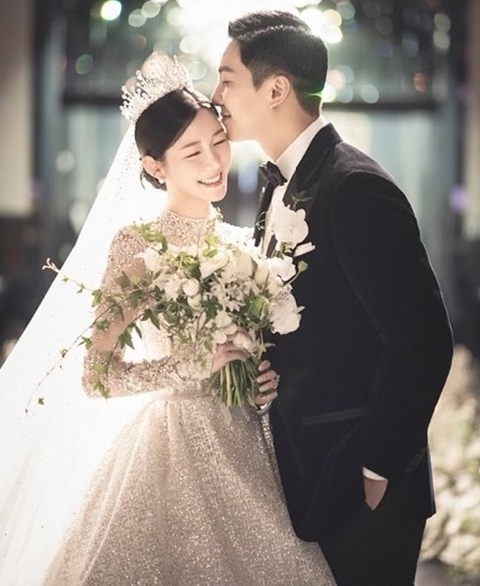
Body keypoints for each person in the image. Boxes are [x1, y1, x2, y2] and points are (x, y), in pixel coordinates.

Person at [0, 52, 336, 586]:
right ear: (156, 167)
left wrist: (256, 380)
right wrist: (190, 366)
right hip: (168, 447)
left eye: (219, 142)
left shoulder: (242, 243)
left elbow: (249, 349)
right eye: (192, 152)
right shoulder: (135, 246)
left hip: (248, 443)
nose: (214, 162)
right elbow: (97, 375)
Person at [212, 10, 454, 586]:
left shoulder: (354, 186)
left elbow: (422, 341)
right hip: (304, 465)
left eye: (226, 79)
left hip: (358, 478)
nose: (216, 95)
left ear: (275, 90)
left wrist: (375, 467)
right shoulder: (282, 184)